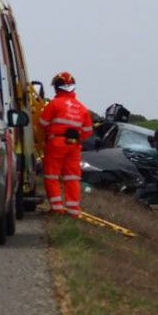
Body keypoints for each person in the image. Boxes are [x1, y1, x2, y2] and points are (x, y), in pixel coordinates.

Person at [36, 71, 93, 216]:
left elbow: (42, 123)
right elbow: (87, 131)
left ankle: (57, 209)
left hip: (56, 142)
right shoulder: (82, 108)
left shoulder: (54, 104)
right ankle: (73, 210)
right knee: (72, 177)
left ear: (56, 87)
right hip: (74, 145)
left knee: (51, 175)